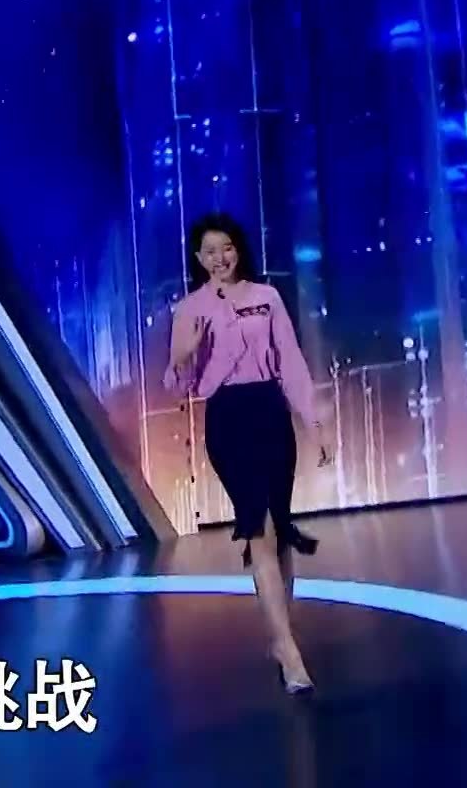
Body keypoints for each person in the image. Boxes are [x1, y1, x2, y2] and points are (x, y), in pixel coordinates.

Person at [164, 213, 329, 695]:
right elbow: (176, 382)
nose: (220, 258)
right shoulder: (189, 309)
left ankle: (280, 635)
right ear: (198, 259)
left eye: (227, 248)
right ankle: (288, 650)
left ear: (238, 250)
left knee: (280, 533)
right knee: (260, 530)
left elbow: (291, 363)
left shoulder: (266, 297)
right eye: (210, 251)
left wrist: (314, 425)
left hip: (270, 411)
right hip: (228, 419)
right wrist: (185, 353)